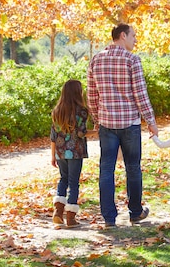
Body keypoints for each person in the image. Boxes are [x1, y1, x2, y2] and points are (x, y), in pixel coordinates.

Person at [87, 23, 159, 228]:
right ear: (122, 36)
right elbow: (140, 94)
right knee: (133, 168)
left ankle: (109, 217)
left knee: (106, 169)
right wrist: (151, 121)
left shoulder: (96, 59)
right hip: (130, 123)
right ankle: (135, 212)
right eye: (133, 35)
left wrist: (97, 118)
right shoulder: (132, 60)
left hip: (107, 124)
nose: (135, 39)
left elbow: (92, 94)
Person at [50, 79, 95, 229]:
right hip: (75, 151)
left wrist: (52, 155)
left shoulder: (57, 111)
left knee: (63, 179)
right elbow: (81, 133)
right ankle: (70, 217)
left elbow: (53, 136)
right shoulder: (81, 110)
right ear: (77, 92)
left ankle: (58, 212)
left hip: (60, 152)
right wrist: (97, 131)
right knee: (74, 182)